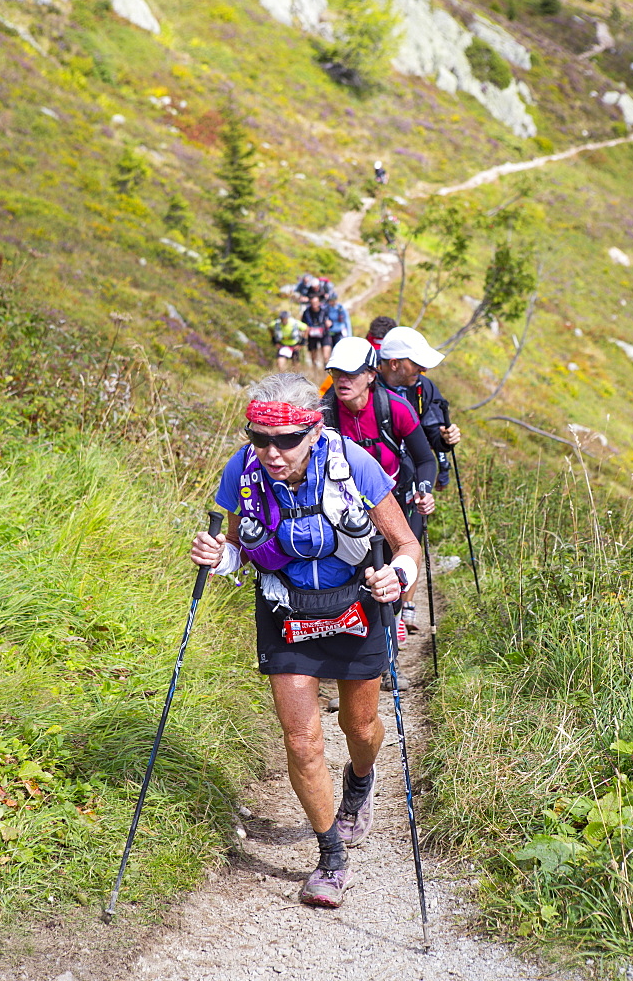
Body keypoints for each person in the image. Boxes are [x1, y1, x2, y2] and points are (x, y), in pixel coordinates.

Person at [190, 374, 421, 909]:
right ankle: (331, 857)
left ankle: (360, 781)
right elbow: (238, 549)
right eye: (260, 438)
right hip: (285, 608)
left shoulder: (354, 463)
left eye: (287, 440)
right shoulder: (242, 472)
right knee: (301, 740)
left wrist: (399, 577)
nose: (272, 452)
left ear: (313, 431)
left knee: (359, 726)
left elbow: (404, 543)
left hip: (356, 604)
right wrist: (215, 556)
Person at [322, 337, 436, 690]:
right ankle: (352, 669)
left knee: (391, 585)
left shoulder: (395, 408)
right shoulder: (325, 414)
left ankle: (388, 663)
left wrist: (425, 490)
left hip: (399, 504)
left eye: (351, 373)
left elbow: (425, 459)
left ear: (371, 374)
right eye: (337, 372)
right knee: (354, 587)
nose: (343, 379)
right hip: (347, 513)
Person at [378, 327, 461, 633]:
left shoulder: (422, 388)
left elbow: (430, 440)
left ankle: (395, 619)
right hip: (368, 492)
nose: (423, 369)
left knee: (405, 551)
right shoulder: (365, 391)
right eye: (416, 363)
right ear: (396, 363)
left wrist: (446, 439)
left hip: (410, 486)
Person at [302, 294, 332, 371]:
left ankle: (326, 370)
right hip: (312, 336)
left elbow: (331, 321)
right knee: (313, 356)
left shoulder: (324, 311)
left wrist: (329, 323)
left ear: (319, 303)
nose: (314, 305)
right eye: (312, 303)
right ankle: (315, 371)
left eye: (315, 303)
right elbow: (303, 324)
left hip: (324, 334)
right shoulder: (306, 312)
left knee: (326, 355)